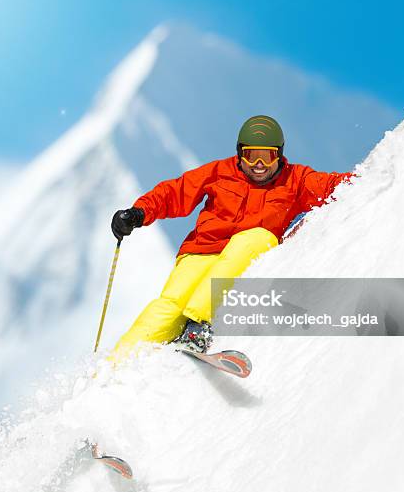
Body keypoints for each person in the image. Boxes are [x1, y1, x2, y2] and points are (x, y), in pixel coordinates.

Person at [110, 115, 352, 358]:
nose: (259, 164)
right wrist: (138, 213)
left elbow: (334, 185)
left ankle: (197, 328)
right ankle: (114, 365)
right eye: (251, 155)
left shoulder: (296, 180)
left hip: (244, 252)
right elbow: (176, 192)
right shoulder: (219, 172)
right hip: (201, 250)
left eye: (267, 156)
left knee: (257, 237)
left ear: (279, 154)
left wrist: (380, 167)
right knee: (171, 304)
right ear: (239, 154)